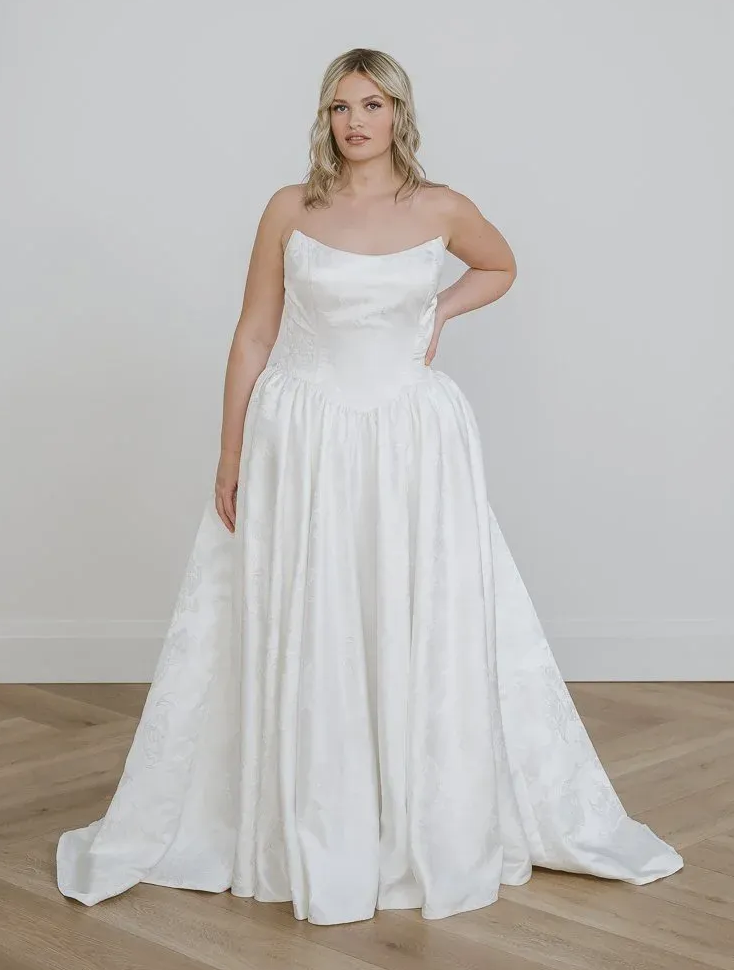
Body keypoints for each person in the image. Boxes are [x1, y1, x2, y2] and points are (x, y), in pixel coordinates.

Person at [56, 47, 683, 925]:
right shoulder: (289, 209)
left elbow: (500, 266)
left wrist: (441, 313)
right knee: (313, 614)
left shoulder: (441, 207)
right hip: (303, 437)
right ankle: (306, 817)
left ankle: (417, 813)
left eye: (373, 104)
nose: (356, 121)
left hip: (410, 442)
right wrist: (230, 454)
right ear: (326, 118)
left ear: (400, 115)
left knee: (408, 610)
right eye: (341, 106)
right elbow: (251, 337)